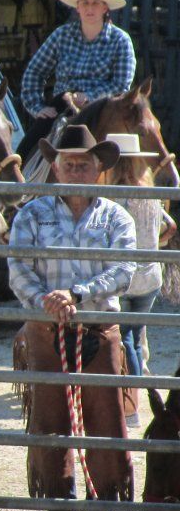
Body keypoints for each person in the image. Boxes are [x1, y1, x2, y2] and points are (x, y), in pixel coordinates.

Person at [8, 124, 136, 511]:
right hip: (47, 328)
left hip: (97, 325)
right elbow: (17, 268)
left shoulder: (116, 217)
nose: (76, 170)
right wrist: (48, 300)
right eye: (69, 163)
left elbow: (124, 270)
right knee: (49, 420)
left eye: (84, 164)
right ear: (57, 168)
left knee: (106, 420)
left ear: (98, 168)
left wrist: (77, 294)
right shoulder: (32, 213)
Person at [103, 132, 177, 427]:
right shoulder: (151, 193)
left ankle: (132, 406)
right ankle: (138, 401)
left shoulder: (114, 196)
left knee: (128, 341)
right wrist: (152, 244)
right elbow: (170, 227)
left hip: (127, 275)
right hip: (151, 274)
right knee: (134, 338)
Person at [17, 0, 136, 159]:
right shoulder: (61, 35)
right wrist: (37, 107)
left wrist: (89, 96)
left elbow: (121, 85)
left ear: (105, 8)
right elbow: (34, 71)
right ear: (77, 8)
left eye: (95, 3)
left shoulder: (120, 40)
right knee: (24, 151)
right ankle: (15, 181)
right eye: (85, 3)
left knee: (133, 144)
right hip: (63, 108)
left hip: (103, 110)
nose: (90, 8)